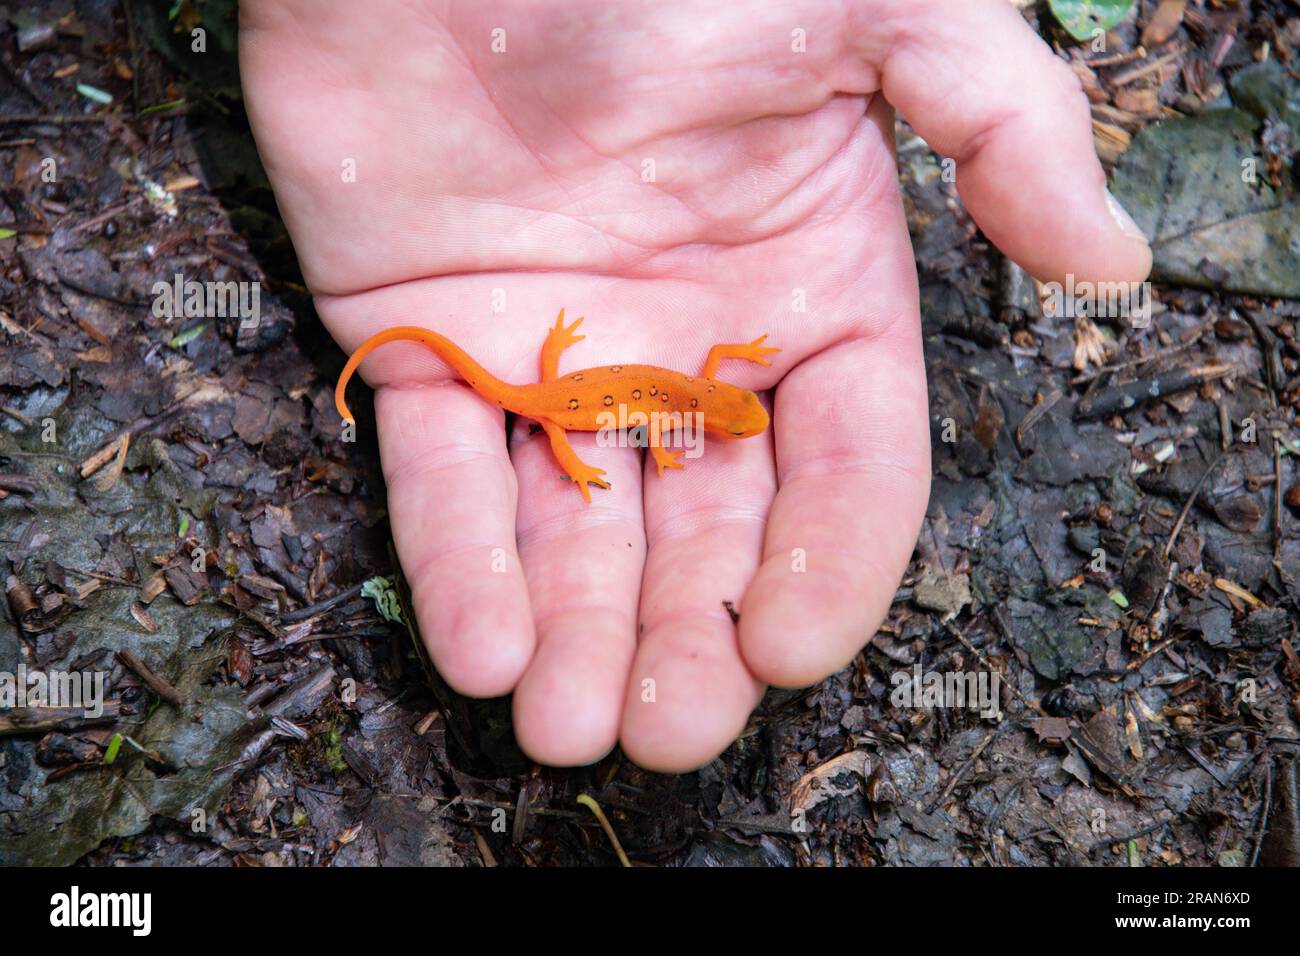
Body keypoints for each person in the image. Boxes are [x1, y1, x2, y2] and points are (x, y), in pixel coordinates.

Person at [239, 0, 1151, 772]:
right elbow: (677, 405)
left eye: (735, 419)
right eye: (735, 420)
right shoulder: (678, 409)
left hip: (569, 388)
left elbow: (707, 386)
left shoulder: (696, 399)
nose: (738, 421)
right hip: (550, 402)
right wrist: (587, 467)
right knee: (557, 431)